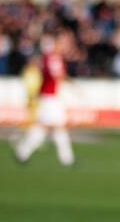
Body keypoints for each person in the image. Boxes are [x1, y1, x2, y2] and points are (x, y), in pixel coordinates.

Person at [13, 29, 76, 167]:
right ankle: (66, 159)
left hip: (49, 97)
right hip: (49, 98)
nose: (68, 45)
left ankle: (23, 152)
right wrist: (72, 84)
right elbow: (57, 75)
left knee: (45, 128)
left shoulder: (53, 56)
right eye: (66, 42)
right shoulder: (53, 57)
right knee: (57, 127)